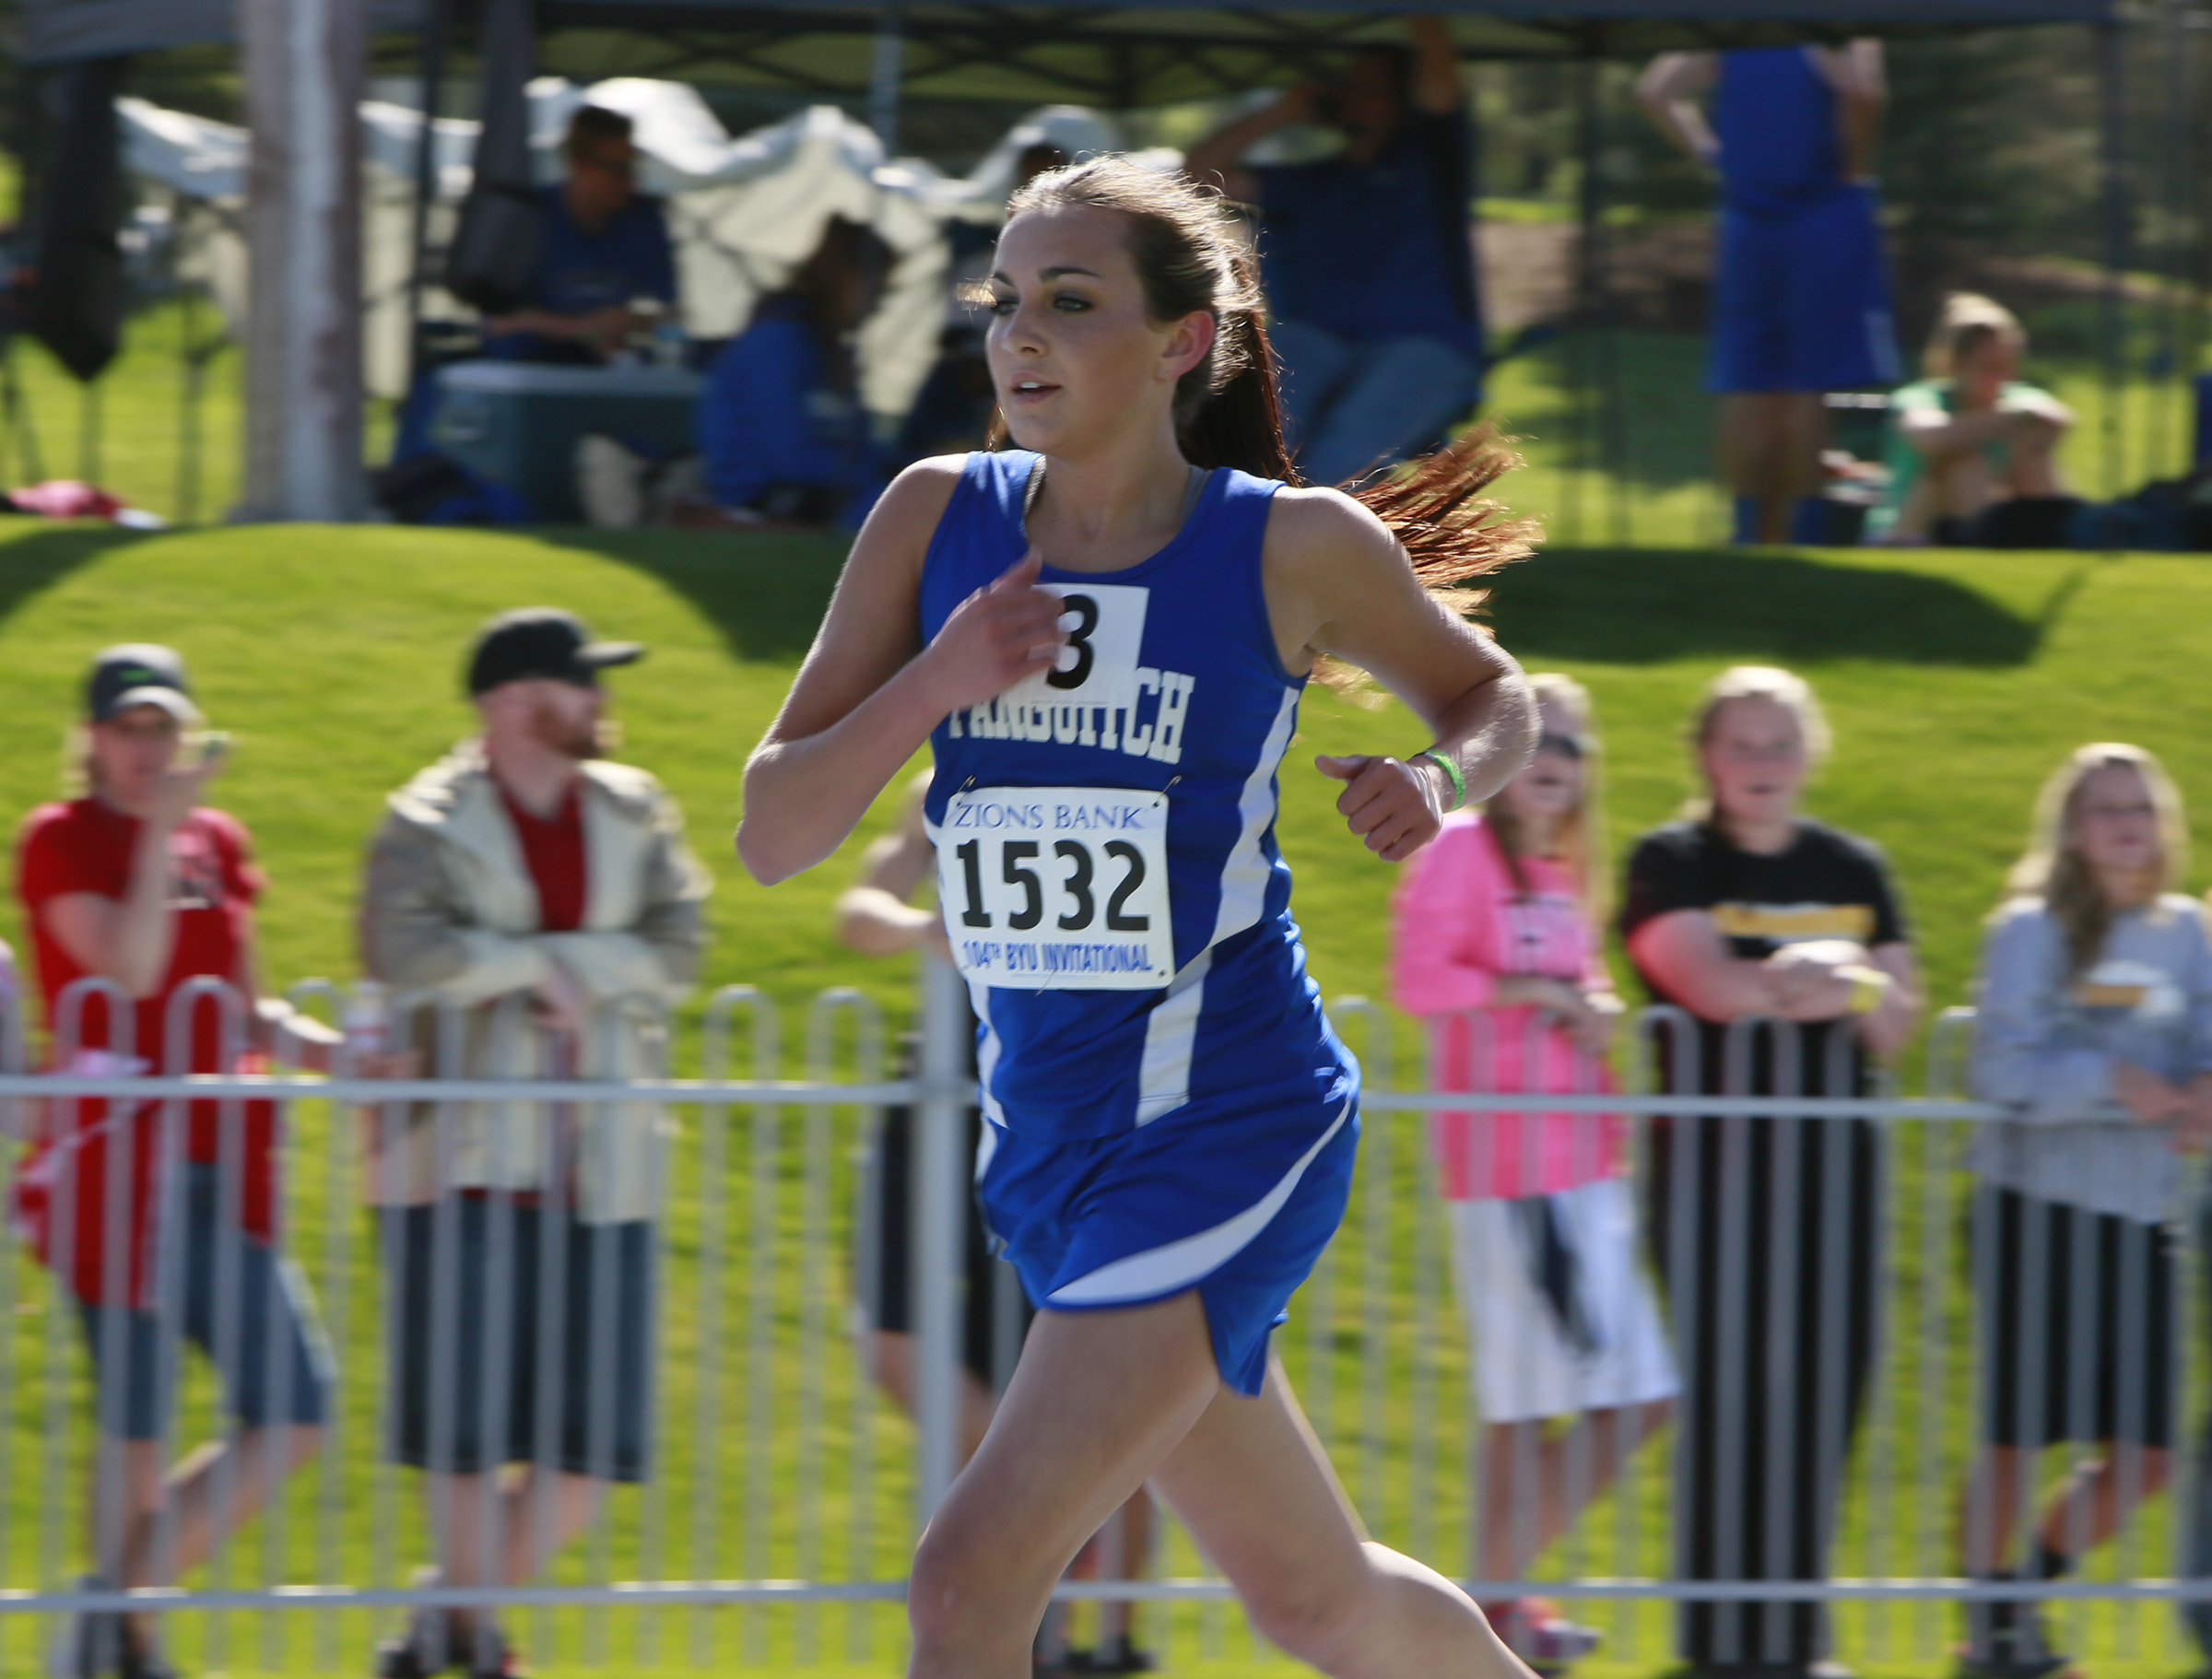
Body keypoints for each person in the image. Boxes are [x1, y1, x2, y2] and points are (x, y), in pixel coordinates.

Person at [737, 153, 1544, 1679]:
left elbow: (1487, 693)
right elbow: (776, 831)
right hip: (1048, 1142)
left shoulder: (1289, 545)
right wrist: (940, 681)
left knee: (970, 1579)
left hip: (1225, 1115)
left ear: (1184, 341)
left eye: (1071, 300)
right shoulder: (935, 520)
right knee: (1318, 1601)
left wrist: (1440, 781)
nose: (1020, 335)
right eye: (1005, 301)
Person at [360, 608, 711, 1679]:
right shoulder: (424, 818)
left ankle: (447, 1621)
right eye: (579, 685)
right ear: (513, 702)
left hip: (604, 1167)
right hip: (457, 1161)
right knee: (462, 1436)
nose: (601, 702)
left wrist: (557, 963)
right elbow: (399, 950)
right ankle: (477, 1647)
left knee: (594, 1451)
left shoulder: (634, 806)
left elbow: (680, 946)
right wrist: (528, 973)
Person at [13, 646, 368, 1679]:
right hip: (115, 1164)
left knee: (296, 1404)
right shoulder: (60, 838)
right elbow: (123, 973)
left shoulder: (220, 839)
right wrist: (161, 829)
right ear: (90, 739)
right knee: (139, 1413)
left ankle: (110, 1617)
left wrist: (345, 1055)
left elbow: (247, 1004)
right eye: (128, 729)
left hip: (222, 1158)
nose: (147, 749)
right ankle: (131, 1640)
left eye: (163, 728)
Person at [1620, 664, 1921, 1679]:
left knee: (1826, 1399)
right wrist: (1825, 980)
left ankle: (1797, 1645)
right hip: (1713, 1183)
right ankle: (1719, 1648)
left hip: (1837, 1183)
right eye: (1742, 745)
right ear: (1707, 755)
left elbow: (1896, 1019)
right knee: (1731, 1400)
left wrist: (1824, 981)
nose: (1762, 765)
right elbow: (1703, 982)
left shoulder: (1855, 867)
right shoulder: (1673, 858)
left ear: (1809, 754)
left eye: (1780, 744)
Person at [1388, 673, 1674, 1675]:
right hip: (1519, 1173)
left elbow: (1564, 987)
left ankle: (1498, 1610)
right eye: (1538, 739)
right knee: (1635, 1399)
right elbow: (1419, 980)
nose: (1554, 760)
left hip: (1574, 1172)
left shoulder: (1556, 871)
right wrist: (1539, 989)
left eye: (1573, 747)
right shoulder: (1463, 848)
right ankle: (1478, 1598)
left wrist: (1589, 1005)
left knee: (1519, 1410)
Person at [838, 771, 1156, 1674]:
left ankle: (1095, 1626)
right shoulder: (947, 781)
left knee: (1051, 1369)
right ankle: (1047, 1516)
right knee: (890, 1336)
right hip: (935, 1095)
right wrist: (918, 928)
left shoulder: (1114, 784)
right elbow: (860, 907)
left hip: (1052, 1113)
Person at [1960, 746, 2212, 1679]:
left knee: (2148, 1455)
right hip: (2037, 1210)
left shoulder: (2186, 928)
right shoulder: (2029, 928)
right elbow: (2002, 1068)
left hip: (2144, 1217)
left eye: (2139, 806)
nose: (2124, 823)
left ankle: (2017, 1594)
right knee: (2016, 1438)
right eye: (2104, 807)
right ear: (2071, 826)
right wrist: (2112, 1079)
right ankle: (1991, 1634)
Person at [1182, 16, 1482, 488]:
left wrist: (1426, 32)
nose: (1355, 93)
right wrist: (1281, 112)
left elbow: (1435, 61)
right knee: (1241, 452)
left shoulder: (1433, 161)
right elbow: (1198, 174)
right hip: (1316, 340)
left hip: (1422, 344)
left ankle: (1310, 548)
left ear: (1404, 98)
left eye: (1372, 85)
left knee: (1337, 470)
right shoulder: (1306, 182)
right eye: (1350, 84)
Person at [1637, 43, 1900, 546]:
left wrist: (1714, 155)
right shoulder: (1829, 26)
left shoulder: (1736, 24)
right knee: (1809, 382)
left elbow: (1654, 91)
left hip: (1747, 219)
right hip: (1822, 214)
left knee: (1745, 382)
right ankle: (1807, 534)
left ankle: (1749, 532)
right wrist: (1855, 172)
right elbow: (1861, 91)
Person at [688, 215, 894, 532]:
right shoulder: (776, 344)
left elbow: (858, 446)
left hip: (828, 495)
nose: (879, 303)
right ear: (846, 278)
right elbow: (787, 458)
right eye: (877, 288)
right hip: (767, 502)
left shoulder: (832, 351)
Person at [1872, 293, 2076, 547]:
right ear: (1957, 365)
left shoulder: (2018, 398)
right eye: (1988, 367)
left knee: (2032, 456)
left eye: (2006, 367)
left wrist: (2012, 423)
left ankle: (2052, 546)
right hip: (1904, 532)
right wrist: (2013, 421)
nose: (2000, 379)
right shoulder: (1922, 398)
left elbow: (2057, 422)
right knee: (1964, 463)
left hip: (1986, 516)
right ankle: (1986, 549)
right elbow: (1931, 437)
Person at [482, 105, 678, 366]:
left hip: (617, 380)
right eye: (618, 169)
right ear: (579, 165)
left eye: (632, 168)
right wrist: (588, 330)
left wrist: (634, 322)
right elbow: (499, 322)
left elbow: (671, 316)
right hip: (531, 378)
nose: (630, 182)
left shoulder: (644, 219)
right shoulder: (530, 217)